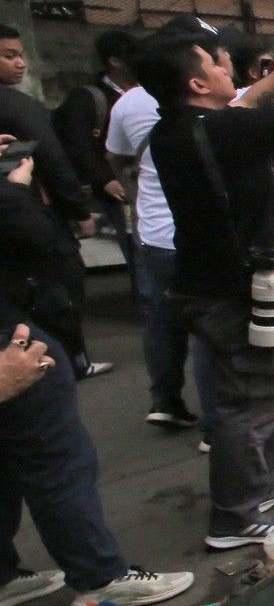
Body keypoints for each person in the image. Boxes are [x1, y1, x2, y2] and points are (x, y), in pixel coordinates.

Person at [134, 12, 274, 551]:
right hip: (233, 289)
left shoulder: (181, 126)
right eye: (215, 60)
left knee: (252, 391)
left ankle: (254, 492)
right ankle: (234, 519)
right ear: (196, 83)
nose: (227, 63)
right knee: (248, 402)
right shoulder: (219, 129)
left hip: (210, 281)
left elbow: (248, 102)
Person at [0, 152, 194, 606]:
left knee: (10, 461)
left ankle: (4, 574)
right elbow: (40, 239)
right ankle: (99, 580)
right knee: (56, 460)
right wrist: (17, 191)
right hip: (12, 339)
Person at [105, 38, 210, 435]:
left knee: (162, 320)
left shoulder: (126, 104)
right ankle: (217, 427)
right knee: (208, 329)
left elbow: (116, 157)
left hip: (152, 234)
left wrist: (135, 197)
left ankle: (165, 400)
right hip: (196, 234)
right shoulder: (216, 103)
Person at [0, 24, 109, 380]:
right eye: (10, 55)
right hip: (29, 213)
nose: (21, 63)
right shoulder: (19, 105)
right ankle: (71, 361)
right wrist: (78, 208)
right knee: (61, 287)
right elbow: (53, 160)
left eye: (21, 54)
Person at [52, 30, 133, 267]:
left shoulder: (148, 91)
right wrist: (105, 180)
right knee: (139, 256)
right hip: (118, 191)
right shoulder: (89, 98)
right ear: (114, 61)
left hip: (146, 185)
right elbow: (78, 145)